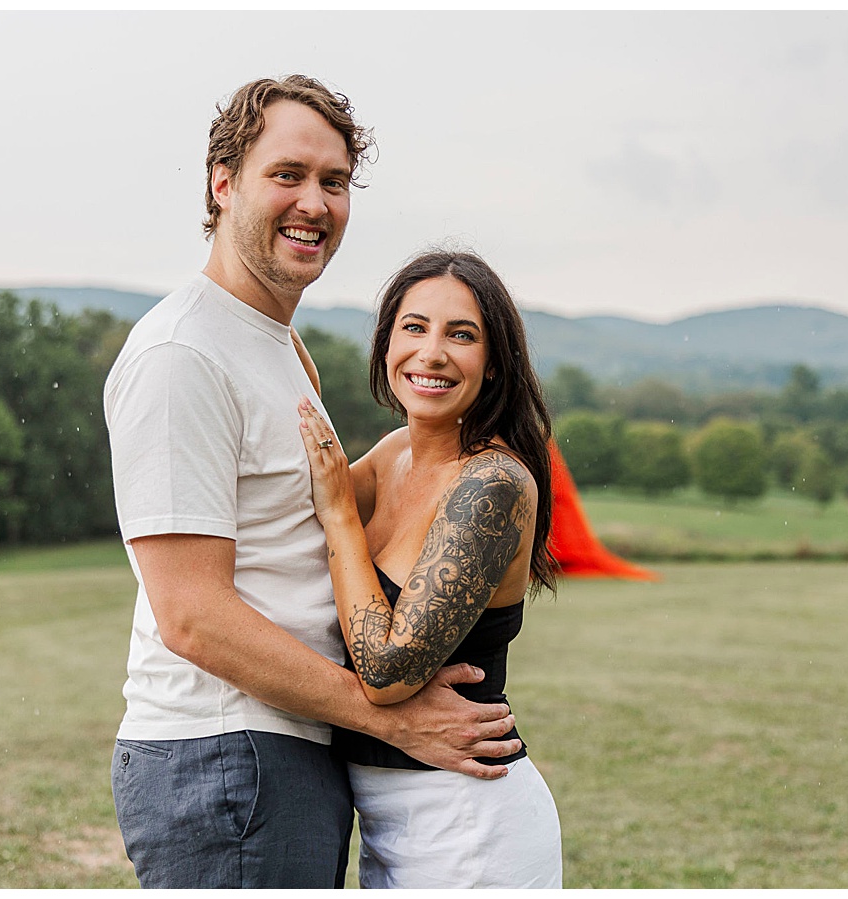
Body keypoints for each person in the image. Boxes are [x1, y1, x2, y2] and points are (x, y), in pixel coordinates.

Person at [102, 76, 523, 889]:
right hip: (226, 757)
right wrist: (394, 718)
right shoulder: (180, 355)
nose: (315, 203)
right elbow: (192, 616)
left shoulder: (278, 347)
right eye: (288, 174)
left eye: (334, 182)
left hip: (285, 751)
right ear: (223, 185)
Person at [295, 250, 564, 888]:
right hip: (388, 821)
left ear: (494, 362)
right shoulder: (394, 454)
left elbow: (388, 673)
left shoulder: (491, 484)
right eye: (413, 328)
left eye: (461, 335)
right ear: (386, 342)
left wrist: (340, 518)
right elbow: (291, 489)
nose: (432, 353)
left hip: (469, 821)